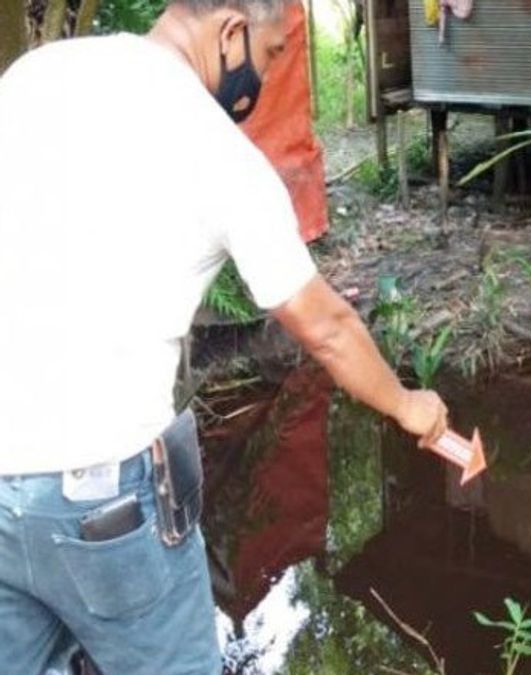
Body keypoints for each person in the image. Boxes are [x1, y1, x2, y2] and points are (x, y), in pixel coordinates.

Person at [0, 0, 451, 673]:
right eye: (270, 55)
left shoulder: (36, 77)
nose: (265, 80)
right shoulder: (218, 151)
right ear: (231, 32)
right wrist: (408, 404)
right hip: (109, 502)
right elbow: (325, 325)